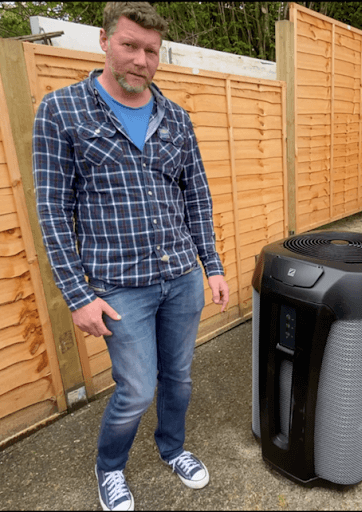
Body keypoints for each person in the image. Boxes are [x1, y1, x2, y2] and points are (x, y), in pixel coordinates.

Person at [32, 2, 229, 510]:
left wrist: (213, 267)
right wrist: (78, 296)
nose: (141, 59)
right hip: (119, 286)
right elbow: (53, 210)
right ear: (104, 40)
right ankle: (111, 468)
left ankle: (172, 448)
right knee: (137, 390)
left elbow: (197, 197)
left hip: (181, 276)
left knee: (179, 378)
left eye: (151, 51)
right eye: (130, 45)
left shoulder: (176, 118)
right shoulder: (62, 110)